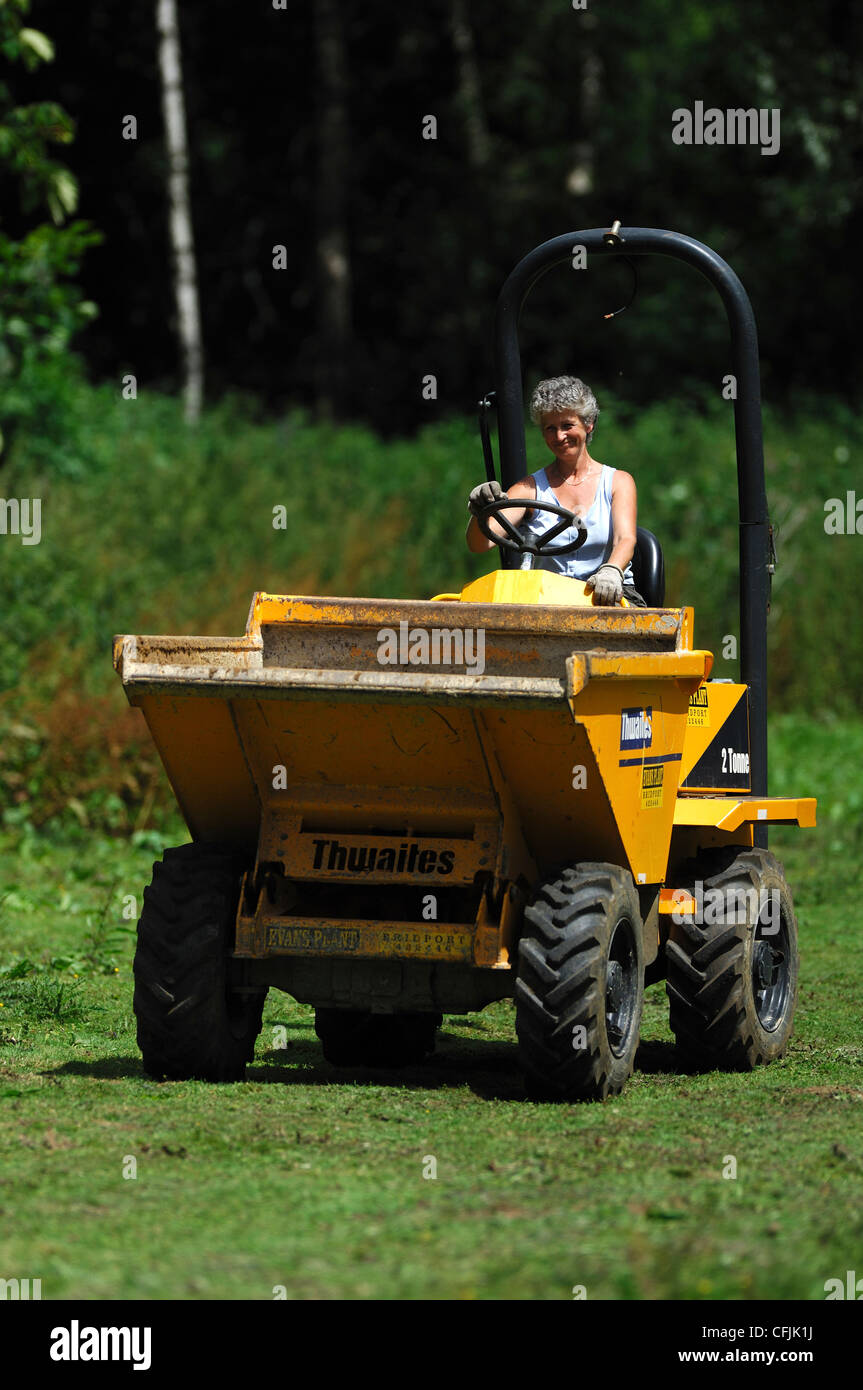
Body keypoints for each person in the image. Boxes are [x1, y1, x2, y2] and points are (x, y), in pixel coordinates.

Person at [465, 376, 646, 606]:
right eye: (551, 428)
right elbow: (479, 543)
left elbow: (625, 539)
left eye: (567, 425)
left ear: (588, 424)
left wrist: (611, 571)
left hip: (606, 597)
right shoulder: (530, 489)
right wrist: (481, 509)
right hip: (549, 601)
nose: (559, 436)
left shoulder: (618, 482)